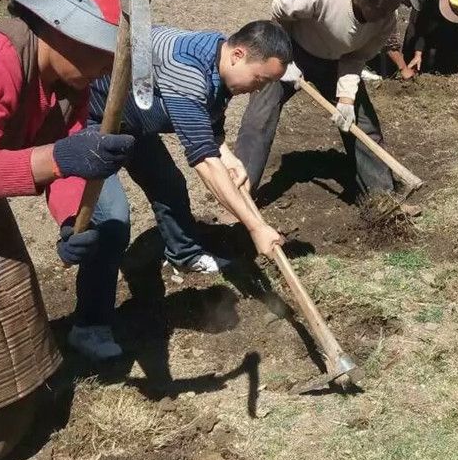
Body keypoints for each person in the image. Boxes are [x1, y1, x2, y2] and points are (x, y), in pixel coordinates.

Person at [0, 0, 135, 460]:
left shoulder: (68, 82)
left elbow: (67, 148)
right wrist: (53, 162)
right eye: (100, 52)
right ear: (60, 30)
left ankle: (2, 417)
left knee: (12, 329)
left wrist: (71, 217)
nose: (105, 68)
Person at [68, 20, 291, 360]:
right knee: (113, 220)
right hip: (91, 118)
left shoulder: (218, 57)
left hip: (131, 119)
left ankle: (184, 254)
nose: (258, 90)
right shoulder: (186, 67)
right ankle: (89, 326)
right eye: (260, 79)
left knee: (169, 185)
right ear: (238, 55)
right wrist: (256, 227)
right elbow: (204, 162)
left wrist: (228, 155)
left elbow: (209, 120)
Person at [236, 0, 414, 199]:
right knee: (259, 118)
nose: (385, 15)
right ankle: (239, 196)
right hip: (292, 47)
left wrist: (347, 99)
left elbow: (356, 57)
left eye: (391, 8)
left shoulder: (385, 21)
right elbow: (278, 11)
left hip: (336, 61)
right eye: (380, 8)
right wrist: (283, 57)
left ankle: (382, 198)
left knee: (363, 124)